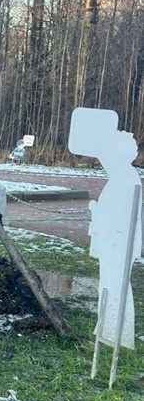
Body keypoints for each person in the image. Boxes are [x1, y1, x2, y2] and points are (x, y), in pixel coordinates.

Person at [69, 107, 143, 349]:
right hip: (115, 241)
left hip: (118, 242)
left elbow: (121, 216)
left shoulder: (125, 178)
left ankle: (115, 332)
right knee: (109, 285)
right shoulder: (123, 176)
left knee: (114, 285)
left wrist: (98, 212)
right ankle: (109, 329)